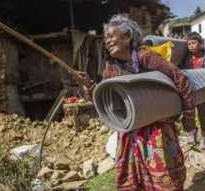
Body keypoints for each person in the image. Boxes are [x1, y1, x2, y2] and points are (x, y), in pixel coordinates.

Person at [72, 13, 196, 191]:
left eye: (111, 35)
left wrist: (189, 115)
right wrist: (89, 85)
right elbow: (104, 97)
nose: (107, 40)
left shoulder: (146, 57)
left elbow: (181, 79)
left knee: (165, 180)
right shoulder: (111, 67)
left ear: (128, 37)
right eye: (105, 37)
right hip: (130, 131)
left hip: (157, 130)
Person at [179, 31, 205, 150]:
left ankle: (204, 137)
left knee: (202, 114)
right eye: (189, 44)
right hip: (190, 90)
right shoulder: (187, 58)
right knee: (191, 114)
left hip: (202, 89)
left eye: (194, 43)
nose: (191, 46)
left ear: (201, 43)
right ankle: (193, 135)